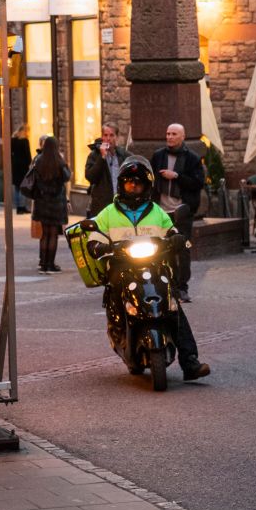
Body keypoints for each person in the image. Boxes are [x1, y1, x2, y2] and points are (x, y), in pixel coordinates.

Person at [89, 157, 211, 381]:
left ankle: (190, 362)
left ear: (146, 186)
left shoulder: (157, 211)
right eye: (129, 183)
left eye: (138, 183)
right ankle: (120, 333)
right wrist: (97, 244)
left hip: (154, 266)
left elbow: (171, 230)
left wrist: (177, 238)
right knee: (117, 295)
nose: (133, 186)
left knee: (174, 307)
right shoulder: (109, 212)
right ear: (122, 185)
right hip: (122, 267)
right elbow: (95, 236)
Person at [150, 123, 206, 303]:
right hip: (161, 211)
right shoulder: (158, 156)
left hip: (182, 212)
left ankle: (182, 288)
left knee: (182, 250)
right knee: (162, 251)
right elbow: (149, 179)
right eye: (167, 134)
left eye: (174, 134)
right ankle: (168, 286)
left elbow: (198, 183)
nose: (169, 137)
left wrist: (176, 176)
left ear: (182, 137)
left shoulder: (192, 158)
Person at [30, 136, 71, 274]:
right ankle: (50, 264)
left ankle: (43, 263)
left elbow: (33, 179)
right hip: (56, 204)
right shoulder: (58, 161)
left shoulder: (39, 160)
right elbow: (67, 177)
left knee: (44, 234)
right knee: (53, 235)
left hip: (42, 203)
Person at [85, 123, 130, 218]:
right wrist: (102, 157)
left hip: (121, 205)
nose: (108, 138)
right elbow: (90, 177)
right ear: (102, 137)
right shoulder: (94, 155)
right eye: (105, 135)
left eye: (111, 135)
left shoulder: (123, 155)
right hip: (102, 207)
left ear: (117, 137)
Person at [11, 124, 32, 215]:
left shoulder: (13, 140)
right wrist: (30, 164)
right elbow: (28, 155)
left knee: (17, 187)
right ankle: (22, 207)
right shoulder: (25, 141)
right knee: (23, 187)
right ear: (24, 131)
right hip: (23, 167)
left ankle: (18, 207)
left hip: (15, 167)